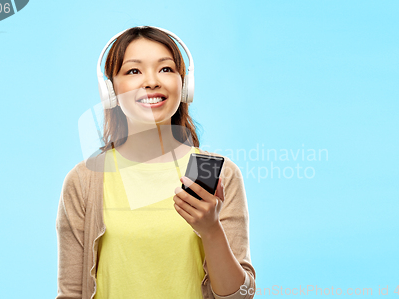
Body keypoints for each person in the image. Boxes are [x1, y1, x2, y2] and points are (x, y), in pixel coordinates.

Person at [56, 26, 256, 299]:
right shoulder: (86, 179)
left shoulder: (214, 172)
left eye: (165, 69)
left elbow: (241, 295)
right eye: (133, 71)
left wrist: (211, 229)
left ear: (185, 86)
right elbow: (71, 293)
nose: (151, 81)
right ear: (110, 91)